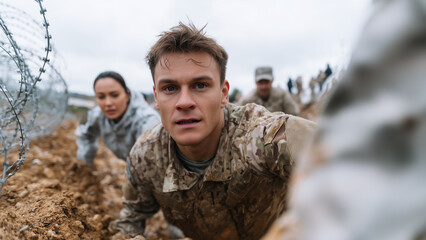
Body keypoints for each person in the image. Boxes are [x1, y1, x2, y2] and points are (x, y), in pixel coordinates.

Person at [109, 22, 316, 240]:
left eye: (200, 85)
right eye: (170, 88)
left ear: (223, 94)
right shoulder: (146, 157)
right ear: (156, 97)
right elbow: (128, 222)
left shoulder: (264, 136)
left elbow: (346, 160)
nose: (184, 102)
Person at [263, 0, 426, 239]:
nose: (263, 85)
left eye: (266, 81)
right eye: (260, 82)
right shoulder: (250, 98)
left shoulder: (282, 96)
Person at [75, 71, 161, 166]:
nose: (108, 103)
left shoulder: (147, 121)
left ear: (127, 95)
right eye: (101, 97)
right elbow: (86, 136)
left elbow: (154, 161)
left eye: (115, 95)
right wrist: (84, 166)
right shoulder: (98, 115)